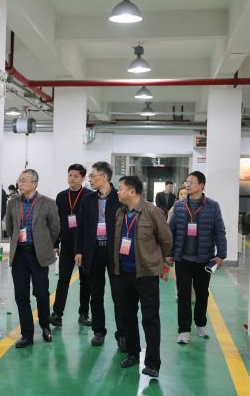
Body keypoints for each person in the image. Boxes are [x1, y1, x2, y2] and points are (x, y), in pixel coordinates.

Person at [114, 175, 173, 378]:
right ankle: (133, 353)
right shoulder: (120, 212)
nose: (118, 192)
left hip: (146, 274)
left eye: (120, 188)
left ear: (132, 192)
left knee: (150, 318)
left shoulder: (153, 212)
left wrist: (155, 260)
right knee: (127, 316)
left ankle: (153, 363)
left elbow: (166, 241)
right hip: (124, 273)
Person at [167, 171, 227, 344]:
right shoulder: (179, 206)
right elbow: (171, 231)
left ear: (202, 186)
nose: (187, 184)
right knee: (184, 295)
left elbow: (219, 232)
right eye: (187, 182)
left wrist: (221, 255)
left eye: (191, 182)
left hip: (204, 259)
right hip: (182, 259)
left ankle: (201, 324)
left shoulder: (213, 206)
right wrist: (169, 253)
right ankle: (184, 330)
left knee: (202, 294)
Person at [5, 169, 60, 348]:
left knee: (41, 294)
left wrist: (44, 245)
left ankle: (45, 325)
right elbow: (10, 227)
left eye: (24, 181)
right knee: (21, 296)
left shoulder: (48, 203)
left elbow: (55, 229)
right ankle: (27, 333)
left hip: (38, 255)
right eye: (19, 180)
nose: (20, 184)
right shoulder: (13, 203)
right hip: (19, 255)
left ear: (35, 183)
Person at [75, 161, 126, 351]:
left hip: (115, 252)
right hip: (93, 251)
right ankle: (98, 331)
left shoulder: (120, 198)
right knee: (95, 295)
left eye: (92, 176)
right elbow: (81, 227)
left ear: (104, 177)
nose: (89, 179)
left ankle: (122, 334)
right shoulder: (88, 199)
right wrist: (79, 250)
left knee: (118, 295)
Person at [49, 164, 93, 328]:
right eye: (70, 175)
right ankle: (57, 314)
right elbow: (57, 222)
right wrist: (55, 243)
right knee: (63, 279)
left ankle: (84, 313)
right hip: (67, 245)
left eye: (75, 176)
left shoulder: (89, 196)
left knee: (85, 281)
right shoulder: (61, 196)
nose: (72, 178)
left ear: (83, 178)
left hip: (85, 246)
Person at [168, 186, 196, 302]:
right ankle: (178, 295)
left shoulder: (196, 208)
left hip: (193, 248)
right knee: (178, 276)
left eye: (185, 193)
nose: (183, 195)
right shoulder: (174, 209)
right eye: (181, 194)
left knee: (194, 276)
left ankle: (193, 296)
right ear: (177, 196)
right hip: (179, 248)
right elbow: (170, 228)